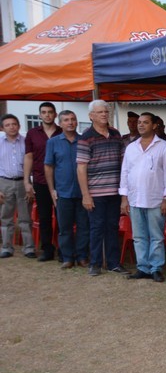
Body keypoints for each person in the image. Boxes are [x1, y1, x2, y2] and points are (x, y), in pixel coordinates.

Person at [120, 113, 166, 283]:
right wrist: (124, 198)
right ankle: (142, 267)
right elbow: (125, 172)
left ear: (154, 125)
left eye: (145, 122)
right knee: (139, 236)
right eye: (139, 122)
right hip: (135, 198)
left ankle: (156, 268)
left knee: (156, 236)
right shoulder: (131, 147)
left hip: (156, 199)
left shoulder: (164, 147)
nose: (141, 125)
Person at [76, 100, 130, 277]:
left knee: (112, 227)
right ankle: (95, 264)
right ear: (91, 116)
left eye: (106, 112)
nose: (104, 115)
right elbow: (81, 168)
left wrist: (124, 192)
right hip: (96, 193)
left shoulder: (116, 134)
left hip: (115, 191)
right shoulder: (86, 137)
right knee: (96, 228)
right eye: (100, 112)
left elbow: (124, 162)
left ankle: (113, 263)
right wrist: (86, 195)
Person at [44, 110, 89, 269]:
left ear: (76, 122)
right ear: (60, 123)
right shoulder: (53, 142)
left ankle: (82, 256)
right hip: (63, 192)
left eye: (72, 119)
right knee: (65, 228)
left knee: (84, 227)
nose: (70, 122)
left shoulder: (84, 140)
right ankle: (67, 257)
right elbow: (49, 167)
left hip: (83, 192)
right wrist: (52, 190)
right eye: (66, 120)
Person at [24, 101, 62, 261]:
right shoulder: (32, 133)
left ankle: (63, 249)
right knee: (45, 217)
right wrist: (26, 181)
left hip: (61, 181)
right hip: (40, 180)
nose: (47, 115)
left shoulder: (62, 131)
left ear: (55, 114)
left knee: (61, 217)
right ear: (40, 115)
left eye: (50, 112)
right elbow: (29, 157)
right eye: (44, 112)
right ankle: (47, 249)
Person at [0, 114, 35, 258]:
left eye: (14, 124)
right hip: (4, 182)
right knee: (6, 217)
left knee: (25, 217)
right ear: (2, 128)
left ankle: (29, 248)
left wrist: (29, 184)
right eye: (7, 125)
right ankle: (7, 247)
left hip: (23, 182)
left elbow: (32, 162)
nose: (11, 127)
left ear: (19, 126)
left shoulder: (27, 142)